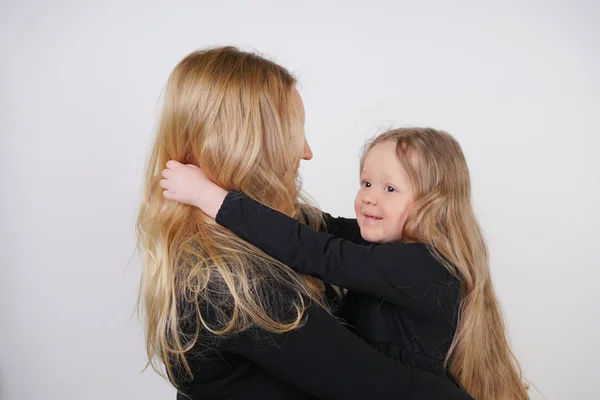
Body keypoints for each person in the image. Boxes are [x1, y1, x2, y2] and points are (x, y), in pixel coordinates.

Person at [137, 46, 473, 399]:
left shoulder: (257, 238)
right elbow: (378, 386)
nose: (306, 151)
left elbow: (313, 239)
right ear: (250, 145)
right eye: (294, 132)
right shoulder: (231, 284)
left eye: (390, 187)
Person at [161, 127, 530, 400]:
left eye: (389, 189)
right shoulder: (392, 245)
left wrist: (212, 197)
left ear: (436, 209)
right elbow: (313, 227)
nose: (369, 198)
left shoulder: (420, 265)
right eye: (366, 183)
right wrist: (259, 192)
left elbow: (315, 250)